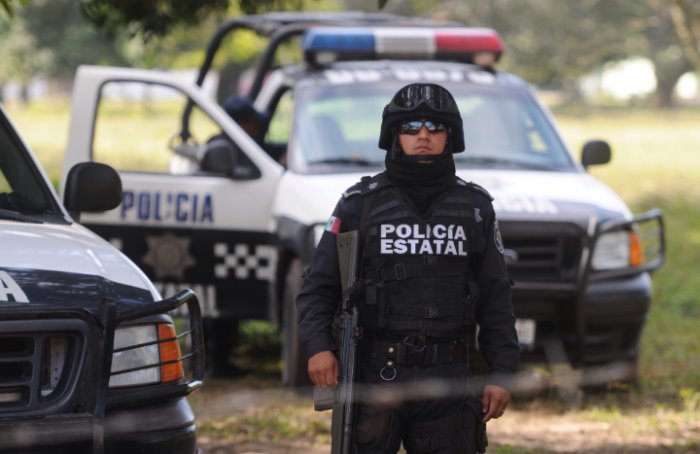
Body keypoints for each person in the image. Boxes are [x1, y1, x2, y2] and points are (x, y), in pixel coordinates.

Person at [296, 82, 520, 453]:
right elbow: (318, 286)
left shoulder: (475, 207)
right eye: (411, 127)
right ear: (394, 135)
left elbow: (496, 296)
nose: (423, 136)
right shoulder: (358, 204)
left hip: (449, 376)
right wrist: (319, 347)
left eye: (435, 127)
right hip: (374, 372)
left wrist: (501, 372)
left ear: (450, 136)